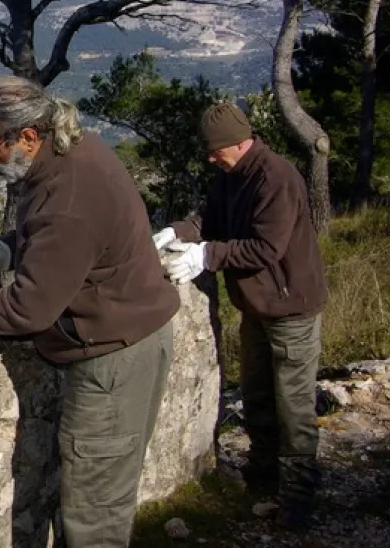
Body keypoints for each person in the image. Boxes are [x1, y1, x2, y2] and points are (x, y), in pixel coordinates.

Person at [0, 75, 179, 548]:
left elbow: (28, 310)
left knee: (92, 518)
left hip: (113, 362)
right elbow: (63, 246)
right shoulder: (72, 155)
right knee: (91, 498)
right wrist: (11, 248)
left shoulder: (68, 197)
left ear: (27, 136)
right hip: (128, 337)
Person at [154, 101, 327, 530]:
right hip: (256, 308)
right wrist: (179, 231)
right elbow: (210, 219)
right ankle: (263, 481)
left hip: (291, 309)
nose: (212, 158)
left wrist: (207, 255)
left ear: (240, 141)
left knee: (294, 406)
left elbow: (267, 249)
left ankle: (298, 499)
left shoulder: (276, 178)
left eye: (217, 151)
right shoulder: (232, 175)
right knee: (257, 397)